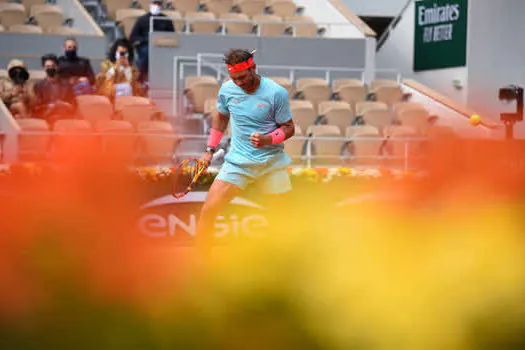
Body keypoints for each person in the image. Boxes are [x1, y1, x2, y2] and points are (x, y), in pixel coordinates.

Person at [196, 49, 295, 258]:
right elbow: (221, 119)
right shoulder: (227, 90)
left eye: (242, 77)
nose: (238, 82)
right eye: (234, 78)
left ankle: (286, 262)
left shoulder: (276, 93)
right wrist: (209, 151)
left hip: (272, 163)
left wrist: (268, 139)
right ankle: (201, 262)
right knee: (208, 211)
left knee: (283, 218)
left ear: (253, 68)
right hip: (238, 163)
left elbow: (289, 128)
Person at [129, 0, 175, 82]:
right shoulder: (142, 19)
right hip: (146, 45)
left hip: (163, 47)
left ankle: (165, 81)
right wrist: (145, 40)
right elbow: (133, 37)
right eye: (155, 3)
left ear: (162, 6)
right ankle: (140, 79)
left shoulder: (166, 20)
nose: (157, 6)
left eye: (159, 4)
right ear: (150, 4)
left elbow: (173, 36)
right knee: (147, 52)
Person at [34, 54, 76, 123]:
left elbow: (72, 105)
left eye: (53, 66)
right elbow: (37, 107)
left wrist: (62, 104)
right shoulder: (39, 86)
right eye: (48, 66)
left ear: (57, 67)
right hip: (47, 116)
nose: (50, 68)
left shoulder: (67, 85)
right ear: (44, 68)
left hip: (64, 116)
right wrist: (50, 106)